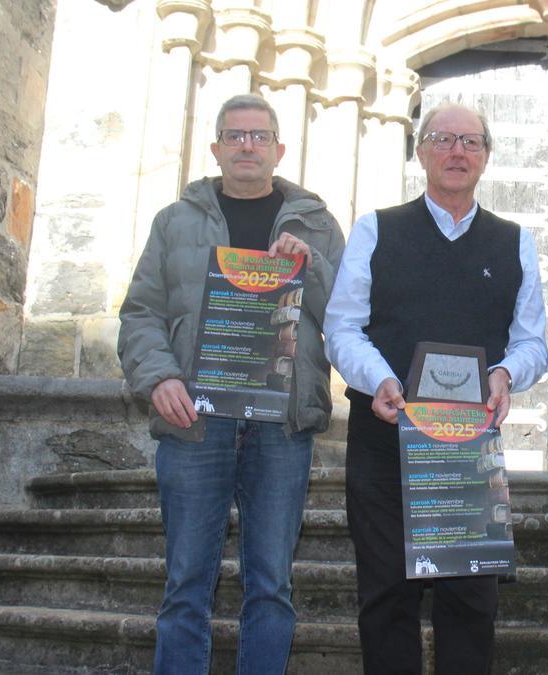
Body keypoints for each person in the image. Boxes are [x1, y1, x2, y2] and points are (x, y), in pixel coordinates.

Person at [117, 93, 345, 674]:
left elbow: (348, 314)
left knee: (270, 583)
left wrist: (310, 265)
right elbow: (140, 313)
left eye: (259, 136)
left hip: (282, 424)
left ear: (279, 149)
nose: (247, 145)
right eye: (235, 135)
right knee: (186, 582)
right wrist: (160, 378)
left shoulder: (316, 223)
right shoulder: (175, 222)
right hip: (195, 419)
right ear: (216, 147)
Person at [324, 102, 548, 674]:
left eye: (471, 142)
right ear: (421, 151)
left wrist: (505, 374)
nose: (457, 152)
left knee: (471, 601)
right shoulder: (377, 227)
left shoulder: (516, 241)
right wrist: (380, 379)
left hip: (467, 448)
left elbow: (531, 344)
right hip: (384, 440)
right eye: (443, 139)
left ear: (486, 158)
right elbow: (342, 327)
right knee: (386, 598)